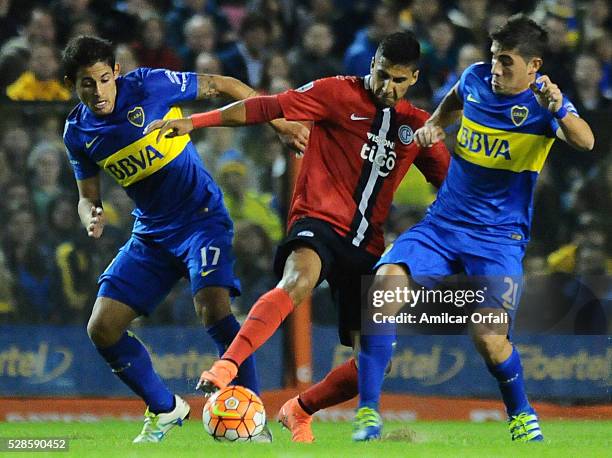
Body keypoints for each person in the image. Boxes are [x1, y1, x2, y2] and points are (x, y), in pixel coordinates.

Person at [145, 31, 450, 442]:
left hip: (368, 246)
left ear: (412, 78)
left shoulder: (417, 127)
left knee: (374, 362)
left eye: (397, 80)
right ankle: (227, 365)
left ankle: (299, 408)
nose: (386, 86)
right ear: (371, 64)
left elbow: (453, 189)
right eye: (381, 75)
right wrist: (193, 122)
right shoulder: (335, 92)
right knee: (298, 280)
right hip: (318, 220)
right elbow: (264, 107)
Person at [61, 35, 308, 443]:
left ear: (116, 73)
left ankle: (254, 417)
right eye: (88, 83)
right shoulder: (77, 132)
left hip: (201, 218)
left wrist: (279, 122)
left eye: (104, 79)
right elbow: (87, 198)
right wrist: (93, 215)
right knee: (102, 328)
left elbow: (224, 85)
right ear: (73, 83)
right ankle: (164, 408)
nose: (99, 91)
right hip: (151, 234)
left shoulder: (150, 86)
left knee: (213, 310)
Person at [369, 15, 594, 443]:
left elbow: (586, 142)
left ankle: (521, 414)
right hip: (443, 224)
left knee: (488, 339)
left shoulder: (543, 107)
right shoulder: (474, 78)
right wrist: (437, 122)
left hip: (498, 240)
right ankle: (374, 389)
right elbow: (454, 98)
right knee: (385, 287)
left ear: (534, 67)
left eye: (507, 62)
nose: (496, 69)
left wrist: (561, 107)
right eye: (494, 58)